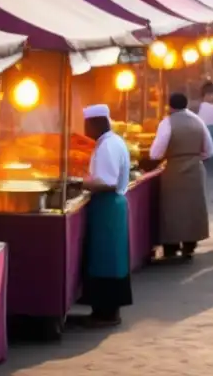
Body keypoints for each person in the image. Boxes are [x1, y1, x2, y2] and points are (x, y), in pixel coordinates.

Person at [79, 104, 133, 326]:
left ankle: (107, 312)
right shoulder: (110, 142)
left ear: (94, 123)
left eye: (86, 124)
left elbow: (107, 182)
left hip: (108, 206)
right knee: (108, 257)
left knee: (107, 258)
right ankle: (103, 309)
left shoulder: (108, 146)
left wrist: (81, 183)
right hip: (109, 207)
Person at [149, 93, 213, 259]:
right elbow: (210, 150)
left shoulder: (167, 123)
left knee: (173, 209)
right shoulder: (197, 121)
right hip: (195, 168)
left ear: (169, 106)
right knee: (192, 208)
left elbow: (156, 153)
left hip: (174, 169)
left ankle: (172, 245)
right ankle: (190, 244)